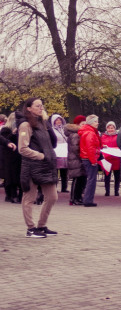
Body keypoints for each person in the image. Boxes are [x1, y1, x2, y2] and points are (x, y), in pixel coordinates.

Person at [17, 98, 59, 237]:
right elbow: (22, 148)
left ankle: (41, 225)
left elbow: (51, 143)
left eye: (42, 105)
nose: (41, 108)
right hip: (31, 166)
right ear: (29, 108)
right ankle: (30, 228)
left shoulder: (42, 123)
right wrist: (40, 156)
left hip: (46, 166)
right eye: (37, 106)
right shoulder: (25, 125)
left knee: (52, 197)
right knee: (29, 198)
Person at [78, 115, 101, 208]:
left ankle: (88, 199)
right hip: (89, 158)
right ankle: (88, 200)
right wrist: (93, 160)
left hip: (87, 158)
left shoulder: (88, 131)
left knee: (91, 179)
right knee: (92, 180)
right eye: (96, 121)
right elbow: (90, 148)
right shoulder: (90, 133)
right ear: (91, 123)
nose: (97, 123)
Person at [1, 114, 21, 203]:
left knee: (17, 175)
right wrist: (13, 134)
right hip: (9, 156)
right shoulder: (6, 129)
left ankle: (15, 195)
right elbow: (4, 140)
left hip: (18, 155)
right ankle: (11, 195)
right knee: (10, 176)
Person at [66, 117, 84, 205]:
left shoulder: (79, 133)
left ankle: (79, 197)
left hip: (78, 158)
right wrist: (82, 155)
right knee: (77, 179)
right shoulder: (75, 134)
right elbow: (75, 148)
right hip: (76, 159)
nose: (84, 126)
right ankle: (73, 198)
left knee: (82, 179)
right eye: (82, 124)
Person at [101, 121, 121, 197]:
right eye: (108, 128)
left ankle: (116, 191)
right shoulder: (103, 136)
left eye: (112, 128)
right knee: (107, 176)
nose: (110, 129)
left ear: (114, 128)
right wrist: (103, 146)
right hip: (107, 158)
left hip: (116, 158)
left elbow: (120, 145)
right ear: (106, 129)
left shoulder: (118, 136)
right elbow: (100, 145)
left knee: (117, 176)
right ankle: (107, 191)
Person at [50, 114, 68, 193]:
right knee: (55, 170)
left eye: (60, 120)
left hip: (65, 150)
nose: (59, 121)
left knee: (64, 170)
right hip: (56, 150)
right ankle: (54, 187)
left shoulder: (64, 129)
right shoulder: (52, 130)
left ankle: (64, 187)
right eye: (57, 120)